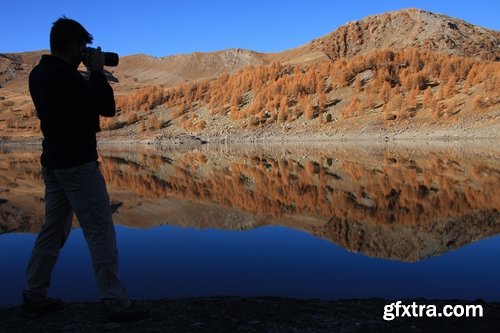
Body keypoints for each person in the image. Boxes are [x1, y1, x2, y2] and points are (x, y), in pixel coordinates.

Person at [23, 17, 148, 322]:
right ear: (74, 45)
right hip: (78, 163)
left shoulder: (39, 73)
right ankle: (115, 302)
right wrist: (96, 74)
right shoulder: (66, 77)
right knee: (99, 231)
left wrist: (88, 73)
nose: (87, 51)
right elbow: (106, 107)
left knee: (53, 230)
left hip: (54, 162)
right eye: (84, 46)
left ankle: (34, 294)